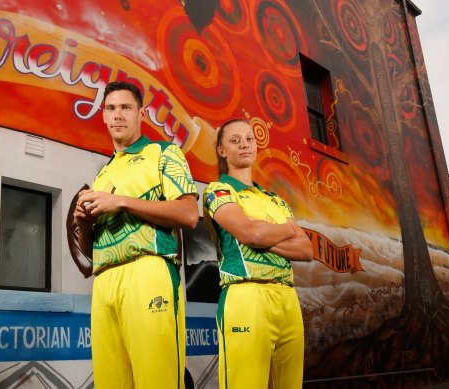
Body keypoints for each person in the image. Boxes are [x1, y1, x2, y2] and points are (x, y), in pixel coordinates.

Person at [73, 81, 199, 389]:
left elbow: (189, 214)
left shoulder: (164, 152)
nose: (118, 115)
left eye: (126, 108)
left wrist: (121, 201)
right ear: (103, 116)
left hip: (148, 271)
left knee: (157, 381)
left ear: (141, 113)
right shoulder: (102, 174)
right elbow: (90, 251)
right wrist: (84, 225)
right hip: (103, 283)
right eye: (111, 108)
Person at [202, 119, 314, 389]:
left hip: (287, 297)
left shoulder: (275, 200)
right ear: (221, 150)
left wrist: (261, 235)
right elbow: (251, 233)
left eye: (249, 139)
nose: (244, 144)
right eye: (235, 140)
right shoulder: (218, 190)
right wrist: (283, 229)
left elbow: (306, 249)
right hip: (245, 295)